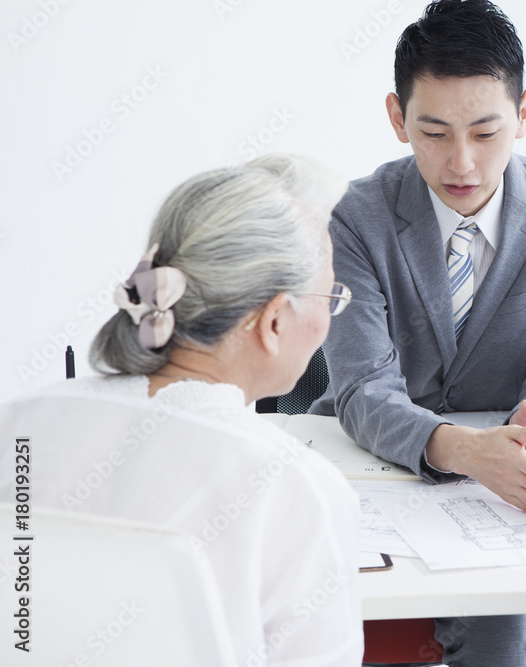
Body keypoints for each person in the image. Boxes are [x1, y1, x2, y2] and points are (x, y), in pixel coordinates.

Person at [308, 0, 526, 663]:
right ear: (397, 118)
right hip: (378, 472)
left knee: (503, 629)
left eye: (485, 132)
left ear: (524, 114)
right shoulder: (355, 217)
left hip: (499, 485)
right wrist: (464, 449)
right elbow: (362, 386)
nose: (462, 163)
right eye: (434, 132)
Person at [0, 154, 363, 665]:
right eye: (330, 295)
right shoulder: (294, 486)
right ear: (275, 320)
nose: (330, 315)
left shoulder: (15, 423)